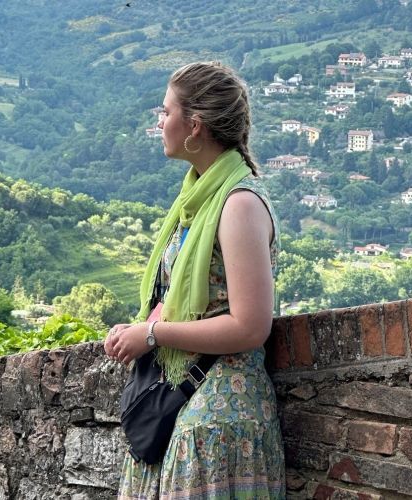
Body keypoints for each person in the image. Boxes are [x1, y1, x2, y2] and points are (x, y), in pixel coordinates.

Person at [104, 61, 285, 499]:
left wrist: (152, 334)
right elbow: (190, 292)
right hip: (185, 402)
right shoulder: (197, 200)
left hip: (221, 418)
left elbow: (250, 326)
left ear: (195, 125)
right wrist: (146, 324)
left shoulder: (238, 204)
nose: (159, 120)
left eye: (166, 112)